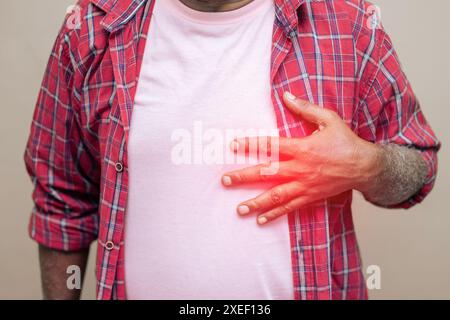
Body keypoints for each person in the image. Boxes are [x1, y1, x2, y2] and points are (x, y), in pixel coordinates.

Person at [25, 0, 440, 300]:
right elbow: (62, 203)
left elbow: (420, 167)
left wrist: (364, 166)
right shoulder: (90, 29)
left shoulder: (348, 22)